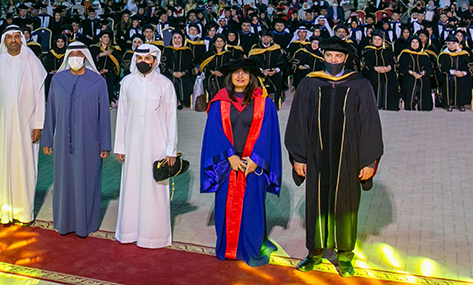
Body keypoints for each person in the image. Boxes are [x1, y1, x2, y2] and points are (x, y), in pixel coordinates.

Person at [285, 37, 383, 277]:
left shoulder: (360, 84)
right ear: (323, 57)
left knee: (346, 204)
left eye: (338, 57)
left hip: (348, 156)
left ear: (346, 58)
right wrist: (298, 157)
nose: (334, 61)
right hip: (316, 155)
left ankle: (345, 255)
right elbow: (297, 120)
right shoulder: (309, 83)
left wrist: (369, 161)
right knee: (316, 203)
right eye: (329, 56)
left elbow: (370, 123)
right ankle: (314, 252)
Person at [200, 58, 282, 267]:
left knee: (252, 208)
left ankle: (252, 248)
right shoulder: (220, 102)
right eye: (236, 72)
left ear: (251, 77)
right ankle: (228, 246)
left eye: (244, 72)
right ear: (229, 77)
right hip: (228, 164)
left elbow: (268, 133)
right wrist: (230, 156)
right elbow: (214, 132)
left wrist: (256, 159)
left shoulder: (264, 103)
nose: (240, 76)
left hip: (253, 166)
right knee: (225, 207)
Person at [41, 41, 112, 237]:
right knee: (64, 182)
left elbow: (103, 116)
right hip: (63, 142)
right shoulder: (58, 80)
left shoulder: (98, 82)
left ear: (86, 57)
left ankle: (85, 225)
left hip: (90, 142)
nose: (75, 58)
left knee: (87, 181)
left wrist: (105, 144)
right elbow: (51, 111)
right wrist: (47, 139)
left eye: (80, 54)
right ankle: (63, 223)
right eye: (72, 54)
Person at [114, 43, 178, 249]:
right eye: (139, 59)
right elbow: (121, 117)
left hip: (156, 146)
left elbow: (171, 119)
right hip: (132, 146)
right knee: (131, 186)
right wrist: (120, 146)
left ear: (155, 61)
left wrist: (171, 150)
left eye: (147, 59)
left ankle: (154, 236)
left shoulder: (165, 84)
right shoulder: (127, 83)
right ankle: (129, 232)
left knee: (154, 189)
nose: (143, 62)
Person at [0, 25, 47, 225]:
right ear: (4, 40)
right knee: (2, 165)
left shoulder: (33, 62)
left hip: (26, 125)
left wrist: (38, 124)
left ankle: (24, 213)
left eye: (16, 36)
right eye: (9, 37)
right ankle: (3, 211)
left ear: (22, 39)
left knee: (25, 167)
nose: (13, 40)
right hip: (2, 125)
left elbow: (39, 96)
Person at [362, 30, 399, 110]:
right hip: (372, 71)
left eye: (379, 39)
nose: (377, 41)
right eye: (375, 39)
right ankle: (374, 105)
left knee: (391, 78)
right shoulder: (368, 50)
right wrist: (375, 68)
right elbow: (365, 62)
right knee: (373, 78)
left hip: (387, 71)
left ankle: (389, 105)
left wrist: (389, 67)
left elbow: (393, 61)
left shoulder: (387, 50)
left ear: (382, 40)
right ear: (372, 40)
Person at [397, 36, 434, 111]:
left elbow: (428, 67)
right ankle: (409, 105)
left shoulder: (424, 55)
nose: (414, 44)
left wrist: (423, 73)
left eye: (416, 42)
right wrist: (412, 73)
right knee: (411, 80)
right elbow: (402, 67)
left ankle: (424, 106)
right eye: (413, 42)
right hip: (409, 74)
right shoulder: (405, 53)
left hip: (421, 75)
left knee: (425, 80)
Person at [437, 37, 473, 111]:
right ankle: (448, 103)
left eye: (453, 43)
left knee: (464, 79)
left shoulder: (463, 54)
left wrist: (463, 73)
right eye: (449, 44)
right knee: (448, 79)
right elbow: (442, 68)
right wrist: (453, 72)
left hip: (462, 74)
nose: (451, 46)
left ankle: (462, 104)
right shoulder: (443, 55)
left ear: (457, 44)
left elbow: (468, 66)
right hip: (448, 74)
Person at [162, 32, 194, 110]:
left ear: (182, 39)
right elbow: (163, 64)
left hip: (184, 73)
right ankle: (174, 101)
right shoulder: (167, 50)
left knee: (184, 81)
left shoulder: (187, 51)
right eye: (175, 38)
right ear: (172, 39)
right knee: (171, 80)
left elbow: (190, 65)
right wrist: (173, 72)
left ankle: (182, 101)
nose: (177, 40)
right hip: (170, 73)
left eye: (179, 37)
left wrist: (183, 72)